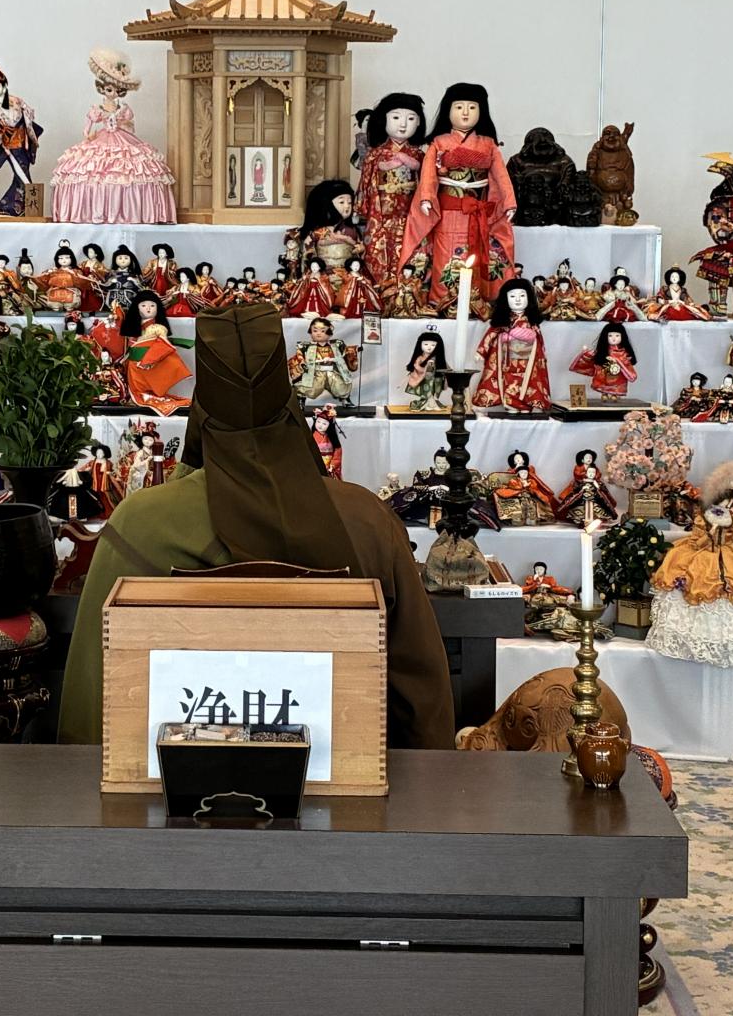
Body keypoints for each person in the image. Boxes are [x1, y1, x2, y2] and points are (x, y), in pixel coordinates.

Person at [59, 304, 453, 748]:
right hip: (344, 778)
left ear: (201, 409)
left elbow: (94, 699)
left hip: (171, 780)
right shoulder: (367, 518)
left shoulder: (140, 523)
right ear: (289, 403)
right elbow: (421, 692)